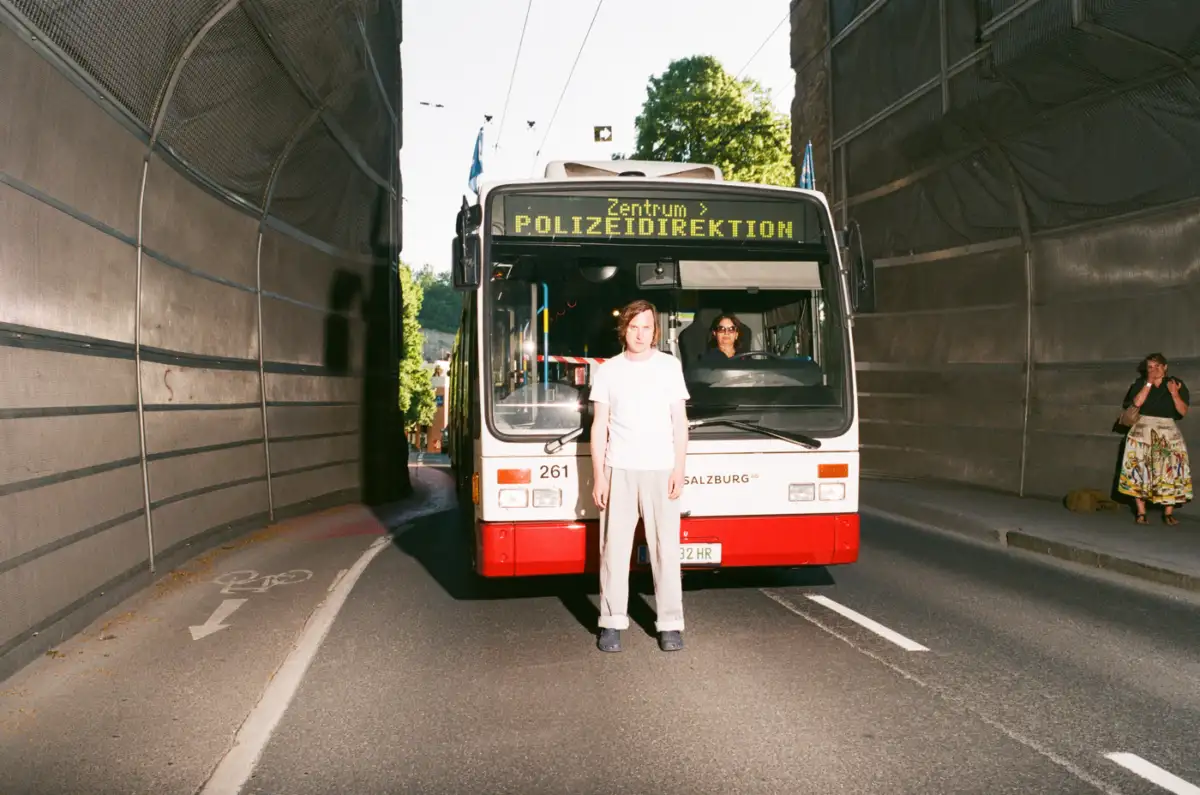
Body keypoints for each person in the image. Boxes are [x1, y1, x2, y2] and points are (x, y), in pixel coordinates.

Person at [589, 299, 690, 653]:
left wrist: (679, 468)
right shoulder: (608, 371)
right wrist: (599, 476)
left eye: (646, 327)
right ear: (625, 330)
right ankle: (611, 622)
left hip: (661, 469)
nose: (640, 333)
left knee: (666, 550)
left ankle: (670, 625)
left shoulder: (669, 367)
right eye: (634, 327)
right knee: (613, 551)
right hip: (619, 469)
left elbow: (680, 422)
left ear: (655, 331)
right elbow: (599, 425)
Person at [1117, 353, 1191, 525]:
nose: (1154, 370)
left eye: (1157, 366)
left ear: (1165, 367)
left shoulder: (1175, 384)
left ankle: (1168, 513)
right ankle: (1141, 512)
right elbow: (1137, 403)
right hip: (1142, 430)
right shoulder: (1140, 384)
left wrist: (1174, 394)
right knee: (1139, 469)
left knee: (1170, 470)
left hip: (1168, 432)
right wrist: (1148, 383)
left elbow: (1183, 411)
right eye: (1150, 367)